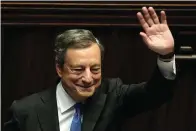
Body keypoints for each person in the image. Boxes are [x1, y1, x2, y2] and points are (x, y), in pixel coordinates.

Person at [4, 7, 177, 131]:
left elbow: (157, 93)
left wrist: (166, 55)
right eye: (78, 69)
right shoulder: (25, 111)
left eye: (95, 69)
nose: (88, 79)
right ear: (59, 69)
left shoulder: (113, 96)